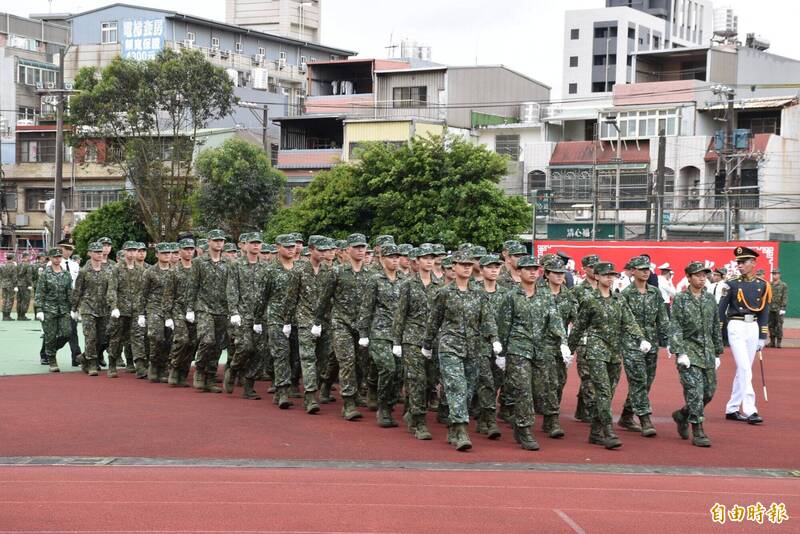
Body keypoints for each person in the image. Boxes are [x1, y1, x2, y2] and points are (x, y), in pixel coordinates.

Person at [423, 250, 501, 451]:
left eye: (469, 264)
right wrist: (427, 344)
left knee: (467, 391)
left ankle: (453, 425)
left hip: (474, 347)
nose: (467, 267)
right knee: (456, 386)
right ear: (454, 267)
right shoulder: (445, 293)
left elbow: (488, 319)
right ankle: (461, 430)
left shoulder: (480, 294)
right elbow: (434, 320)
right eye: (462, 264)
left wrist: (494, 339)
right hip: (450, 346)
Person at [568, 261, 649, 450]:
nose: (609, 278)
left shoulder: (619, 300)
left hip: (614, 351)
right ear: (596, 277)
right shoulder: (590, 301)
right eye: (605, 275)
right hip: (596, 350)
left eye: (612, 275)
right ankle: (608, 431)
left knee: (608, 393)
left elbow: (629, 321)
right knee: (603, 391)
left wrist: (640, 339)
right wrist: (569, 350)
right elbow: (579, 327)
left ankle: (595, 432)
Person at [497, 256, 569, 451]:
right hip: (518, 349)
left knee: (540, 389)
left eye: (535, 269)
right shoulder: (511, 296)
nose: (532, 272)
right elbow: (504, 326)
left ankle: (521, 423)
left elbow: (555, 320)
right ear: (519, 272)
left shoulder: (546, 296)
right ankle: (524, 429)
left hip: (541, 349)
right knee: (523, 390)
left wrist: (563, 342)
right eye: (527, 269)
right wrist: (501, 353)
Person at [315, 233, 371, 421]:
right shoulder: (337, 272)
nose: (360, 250)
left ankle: (332, 386)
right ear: (347, 250)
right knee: (347, 361)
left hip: (363, 326)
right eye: (356, 247)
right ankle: (348, 403)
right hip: (341, 323)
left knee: (360, 363)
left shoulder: (372, 274)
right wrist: (317, 322)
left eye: (363, 247)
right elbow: (324, 298)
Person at [669, 261, 723, 447]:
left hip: (707, 352)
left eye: (704, 275)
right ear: (689, 277)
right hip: (689, 350)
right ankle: (698, 429)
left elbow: (715, 326)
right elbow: (675, 326)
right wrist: (680, 352)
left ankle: (682, 414)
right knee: (695, 392)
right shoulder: (681, 299)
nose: (702, 278)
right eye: (698, 275)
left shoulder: (709, 299)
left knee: (709, 392)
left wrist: (717, 352)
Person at [392, 243, 441, 440]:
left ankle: (411, 410)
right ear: (417, 261)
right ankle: (419, 422)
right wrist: (396, 341)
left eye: (432, 257)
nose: (429, 261)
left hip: (433, 341)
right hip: (412, 338)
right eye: (425, 258)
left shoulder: (440, 286)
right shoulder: (408, 285)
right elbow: (400, 315)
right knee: (416, 379)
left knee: (430, 381)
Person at [618, 256, 669, 437]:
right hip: (631, 344)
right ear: (633, 271)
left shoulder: (655, 292)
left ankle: (626, 415)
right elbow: (623, 322)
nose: (646, 272)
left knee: (646, 382)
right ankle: (645, 418)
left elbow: (662, 318)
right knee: (638, 380)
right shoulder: (625, 295)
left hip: (652, 343)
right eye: (641, 269)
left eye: (647, 269)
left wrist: (669, 339)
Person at [719, 246, 770, 425]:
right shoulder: (731, 284)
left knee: (744, 368)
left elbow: (764, 311)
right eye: (738, 262)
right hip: (736, 325)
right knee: (745, 368)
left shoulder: (762, 285)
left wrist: (762, 336)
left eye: (743, 262)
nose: (739, 265)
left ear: (753, 263)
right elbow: (721, 310)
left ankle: (732, 408)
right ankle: (750, 410)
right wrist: (719, 333)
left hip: (753, 326)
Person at [358, 243, 403, 427]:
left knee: (399, 373)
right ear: (382, 259)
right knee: (388, 368)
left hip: (399, 334)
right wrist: (363, 332)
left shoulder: (405, 281)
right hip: (379, 331)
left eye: (397, 257)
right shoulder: (375, 280)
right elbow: (366, 307)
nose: (395, 260)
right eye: (391, 256)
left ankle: (388, 403)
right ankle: (383, 407)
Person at [260, 234, 301, 408]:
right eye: (287, 246)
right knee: (281, 354)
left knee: (296, 356)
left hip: (297, 319)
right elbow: (262, 296)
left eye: (293, 246)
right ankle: (283, 391)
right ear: (278, 247)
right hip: (276, 318)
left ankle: (288, 385)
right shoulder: (270, 270)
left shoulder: (301, 269)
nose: (291, 249)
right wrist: (257, 319)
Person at [224, 233, 265, 400]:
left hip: (260, 316)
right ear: (245, 245)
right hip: (242, 314)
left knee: (261, 351)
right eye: (252, 243)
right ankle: (233, 369)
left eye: (258, 243)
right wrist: (234, 312)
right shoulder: (236, 265)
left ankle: (249, 385)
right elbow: (232, 289)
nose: (256, 246)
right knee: (245, 347)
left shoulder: (266, 267)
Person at [188, 229, 229, 393]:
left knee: (218, 345)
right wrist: (190, 309)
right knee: (207, 340)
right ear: (209, 242)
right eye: (216, 240)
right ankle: (200, 369)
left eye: (222, 240)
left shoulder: (228, 263)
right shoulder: (199, 262)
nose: (219, 243)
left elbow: (231, 287)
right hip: (204, 307)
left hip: (222, 309)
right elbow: (192, 286)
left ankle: (210, 377)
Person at [541, 258, 577, 435]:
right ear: (547, 274)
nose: (559, 276)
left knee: (560, 382)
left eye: (562, 273)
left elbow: (576, 318)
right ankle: (553, 420)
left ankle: (549, 418)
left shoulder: (569, 296)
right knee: (549, 382)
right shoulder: (538, 293)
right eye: (555, 273)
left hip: (561, 345)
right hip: (541, 344)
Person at [473, 254, 508, 440]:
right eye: (490, 267)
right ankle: (490, 420)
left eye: (497, 267)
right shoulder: (473, 291)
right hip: (478, 343)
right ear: (482, 269)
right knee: (485, 380)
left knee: (496, 382)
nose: (494, 270)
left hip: (499, 345)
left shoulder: (506, 294)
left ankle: (482, 417)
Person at [71, 242, 113, 376]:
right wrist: (74, 308)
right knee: (90, 337)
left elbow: (111, 290)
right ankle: (91, 363)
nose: (99, 254)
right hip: (88, 307)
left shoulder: (108, 270)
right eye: (96, 252)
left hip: (104, 308)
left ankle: (83, 358)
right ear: (89, 253)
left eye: (100, 252)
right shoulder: (84, 271)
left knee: (103, 339)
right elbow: (78, 290)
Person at [108, 242, 147, 376]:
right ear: (124, 252)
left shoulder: (141, 270)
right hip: (120, 309)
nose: (132, 253)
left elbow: (143, 292)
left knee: (137, 337)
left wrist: (143, 311)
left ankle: (139, 365)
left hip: (136, 309)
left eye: (134, 251)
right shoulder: (116, 269)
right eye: (129, 251)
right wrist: (114, 306)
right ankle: (112, 364)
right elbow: (112, 289)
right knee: (116, 338)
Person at [138, 243, 176, 383]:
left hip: (171, 309)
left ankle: (164, 366)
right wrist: (141, 314)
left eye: (169, 253)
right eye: (164, 253)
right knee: (156, 336)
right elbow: (143, 294)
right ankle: (154, 364)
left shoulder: (175, 271)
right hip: (154, 307)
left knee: (169, 339)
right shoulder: (150, 272)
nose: (167, 255)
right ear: (157, 255)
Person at [571, 254, 600, 423]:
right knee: (587, 375)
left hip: (601, 338)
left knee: (595, 375)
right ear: (584, 269)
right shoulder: (578, 291)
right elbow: (574, 315)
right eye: (591, 266)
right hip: (584, 338)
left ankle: (582, 409)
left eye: (597, 266)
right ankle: (592, 411)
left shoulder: (604, 288)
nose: (595, 269)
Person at [34, 248, 73, 372]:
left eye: (59, 257)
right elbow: (40, 292)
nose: (57, 259)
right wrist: (39, 309)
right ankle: (52, 360)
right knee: (50, 336)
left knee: (67, 334)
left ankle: (50, 350)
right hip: (48, 309)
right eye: (55, 257)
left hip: (63, 309)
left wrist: (74, 308)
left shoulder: (66, 274)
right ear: (50, 258)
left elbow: (69, 292)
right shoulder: (45, 274)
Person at [167, 238, 198, 387]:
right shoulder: (173, 271)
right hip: (177, 310)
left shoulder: (197, 270)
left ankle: (183, 372)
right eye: (186, 249)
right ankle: (174, 367)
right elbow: (168, 296)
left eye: (191, 249)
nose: (189, 251)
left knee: (192, 343)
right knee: (182, 339)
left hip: (194, 310)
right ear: (179, 252)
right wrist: (168, 316)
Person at [768, 268, 788, 348]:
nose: (774, 275)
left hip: (779, 308)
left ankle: (779, 342)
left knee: (779, 325)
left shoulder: (783, 285)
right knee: (771, 325)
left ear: (779, 275)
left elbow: (785, 297)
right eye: (773, 274)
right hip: (770, 308)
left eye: (776, 274)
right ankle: (772, 342)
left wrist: (783, 308)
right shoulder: (769, 284)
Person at [15, 252, 34, 320]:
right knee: (25, 300)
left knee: (19, 300)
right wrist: (30, 284)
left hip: (19, 284)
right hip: (25, 285)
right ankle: (22, 315)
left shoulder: (18, 264)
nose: (29, 258)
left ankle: (19, 315)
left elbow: (16, 274)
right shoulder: (28, 265)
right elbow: (28, 276)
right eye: (29, 256)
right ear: (26, 257)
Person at [1, 253, 18, 320]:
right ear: (12, 258)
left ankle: (4, 315)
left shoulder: (2, 265)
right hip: (10, 284)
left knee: (4, 299)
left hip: (4, 284)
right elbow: (14, 277)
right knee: (10, 300)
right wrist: (15, 285)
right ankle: (7, 315)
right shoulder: (13, 266)